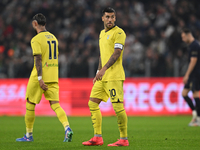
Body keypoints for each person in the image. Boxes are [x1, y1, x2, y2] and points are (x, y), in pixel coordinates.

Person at [16, 13, 73, 142]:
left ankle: (28, 136)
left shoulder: (36, 39)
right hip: (53, 75)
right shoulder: (54, 38)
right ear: (45, 24)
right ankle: (67, 128)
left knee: (30, 103)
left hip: (39, 76)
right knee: (55, 105)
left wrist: (40, 78)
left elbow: (38, 59)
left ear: (34, 24)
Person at [82, 7, 129, 146]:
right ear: (102, 18)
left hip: (114, 76)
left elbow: (116, 53)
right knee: (92, 103)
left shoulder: (119, 32)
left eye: (112, 17)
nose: (110, 19)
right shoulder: (102, 33)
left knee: (118, 107)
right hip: (103, 76)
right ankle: (97, 137)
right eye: (107, 17)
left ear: (115, 18)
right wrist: (98, 72)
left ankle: (124, 139)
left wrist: (104, 69)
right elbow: (102, 55)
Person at [181, 28, 200, 126]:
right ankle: (195, 115)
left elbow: (193, 61)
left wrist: (187, 74)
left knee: (195, 94)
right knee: (184, 93)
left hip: (195, 74)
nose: (183, 39)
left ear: (188, 35)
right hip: (193, 75)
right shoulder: (192, 45)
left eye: (184, 37)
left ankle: (198, 119)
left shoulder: (195, 45)